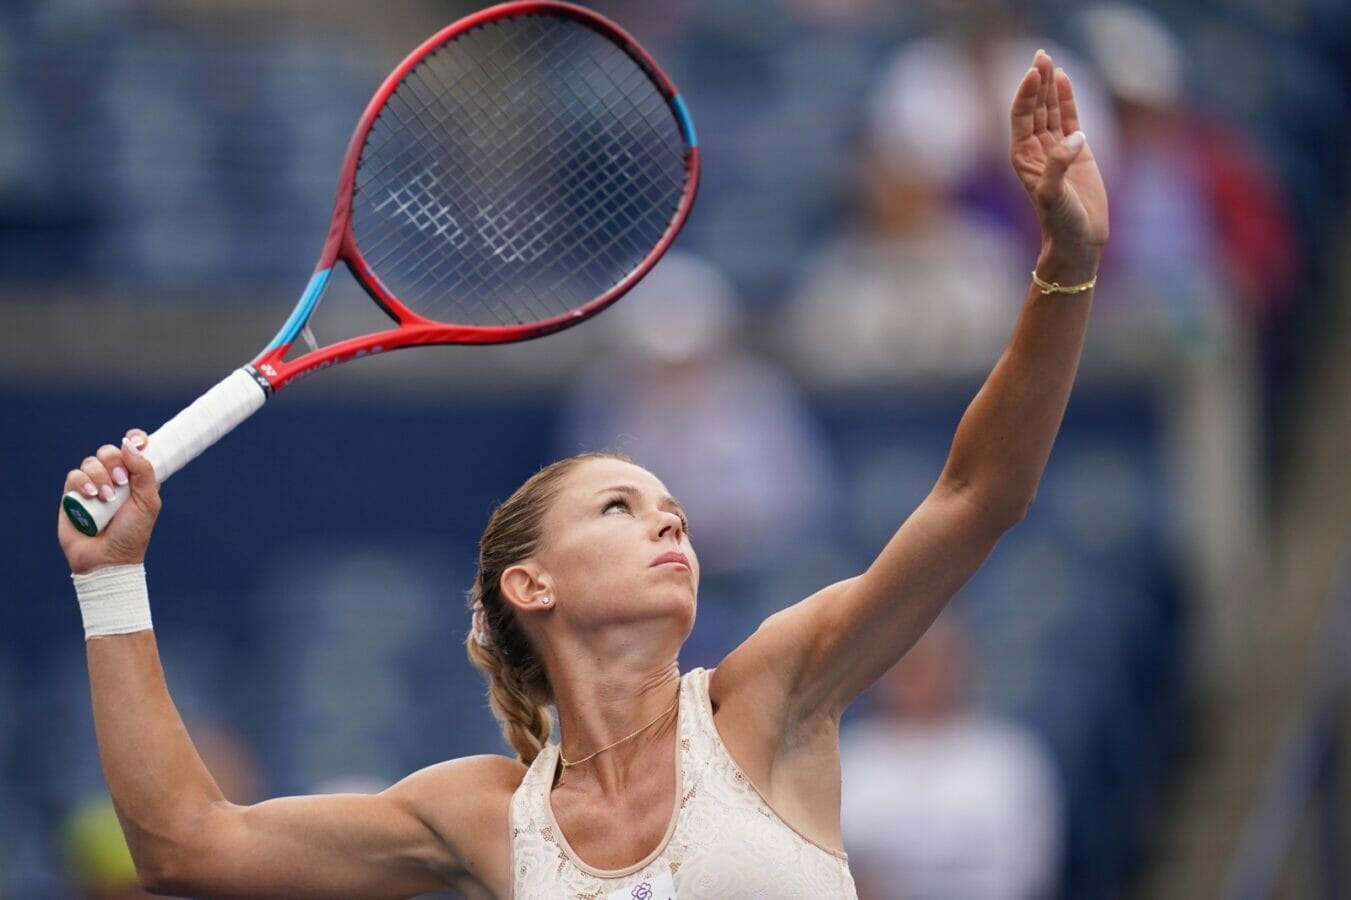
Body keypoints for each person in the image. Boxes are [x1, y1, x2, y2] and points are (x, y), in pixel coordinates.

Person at [56, 50, 1107, 899]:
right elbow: (186, 849)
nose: (671, 529)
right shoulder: (475, 817)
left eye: (674, 512)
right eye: (622, 506)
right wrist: (111, 576)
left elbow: (980, 495)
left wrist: (1066, 263)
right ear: (531, 584)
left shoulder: (772, 696)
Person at [840, 615, 1063, 900]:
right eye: (906, 665)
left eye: (930, 663)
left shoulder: (1009, 758)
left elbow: (1028, 874)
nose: (916, 679)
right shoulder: (851, 755)